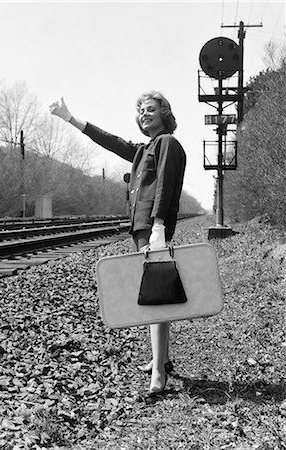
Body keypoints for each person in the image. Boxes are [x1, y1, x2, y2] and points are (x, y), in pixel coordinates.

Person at [49, 91, 186, 396]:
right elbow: (110, 141)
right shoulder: (145, 149)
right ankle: (160, 359)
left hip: (152, 226)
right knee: (158, 293)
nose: (144, 113)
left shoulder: (167, 144)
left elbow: (164, 183)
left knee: (156, 299)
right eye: (140, 110)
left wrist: (159, 225)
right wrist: (70, 118)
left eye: (151, 109)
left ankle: (159, 374)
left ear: (165, 113)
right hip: (143, 227)